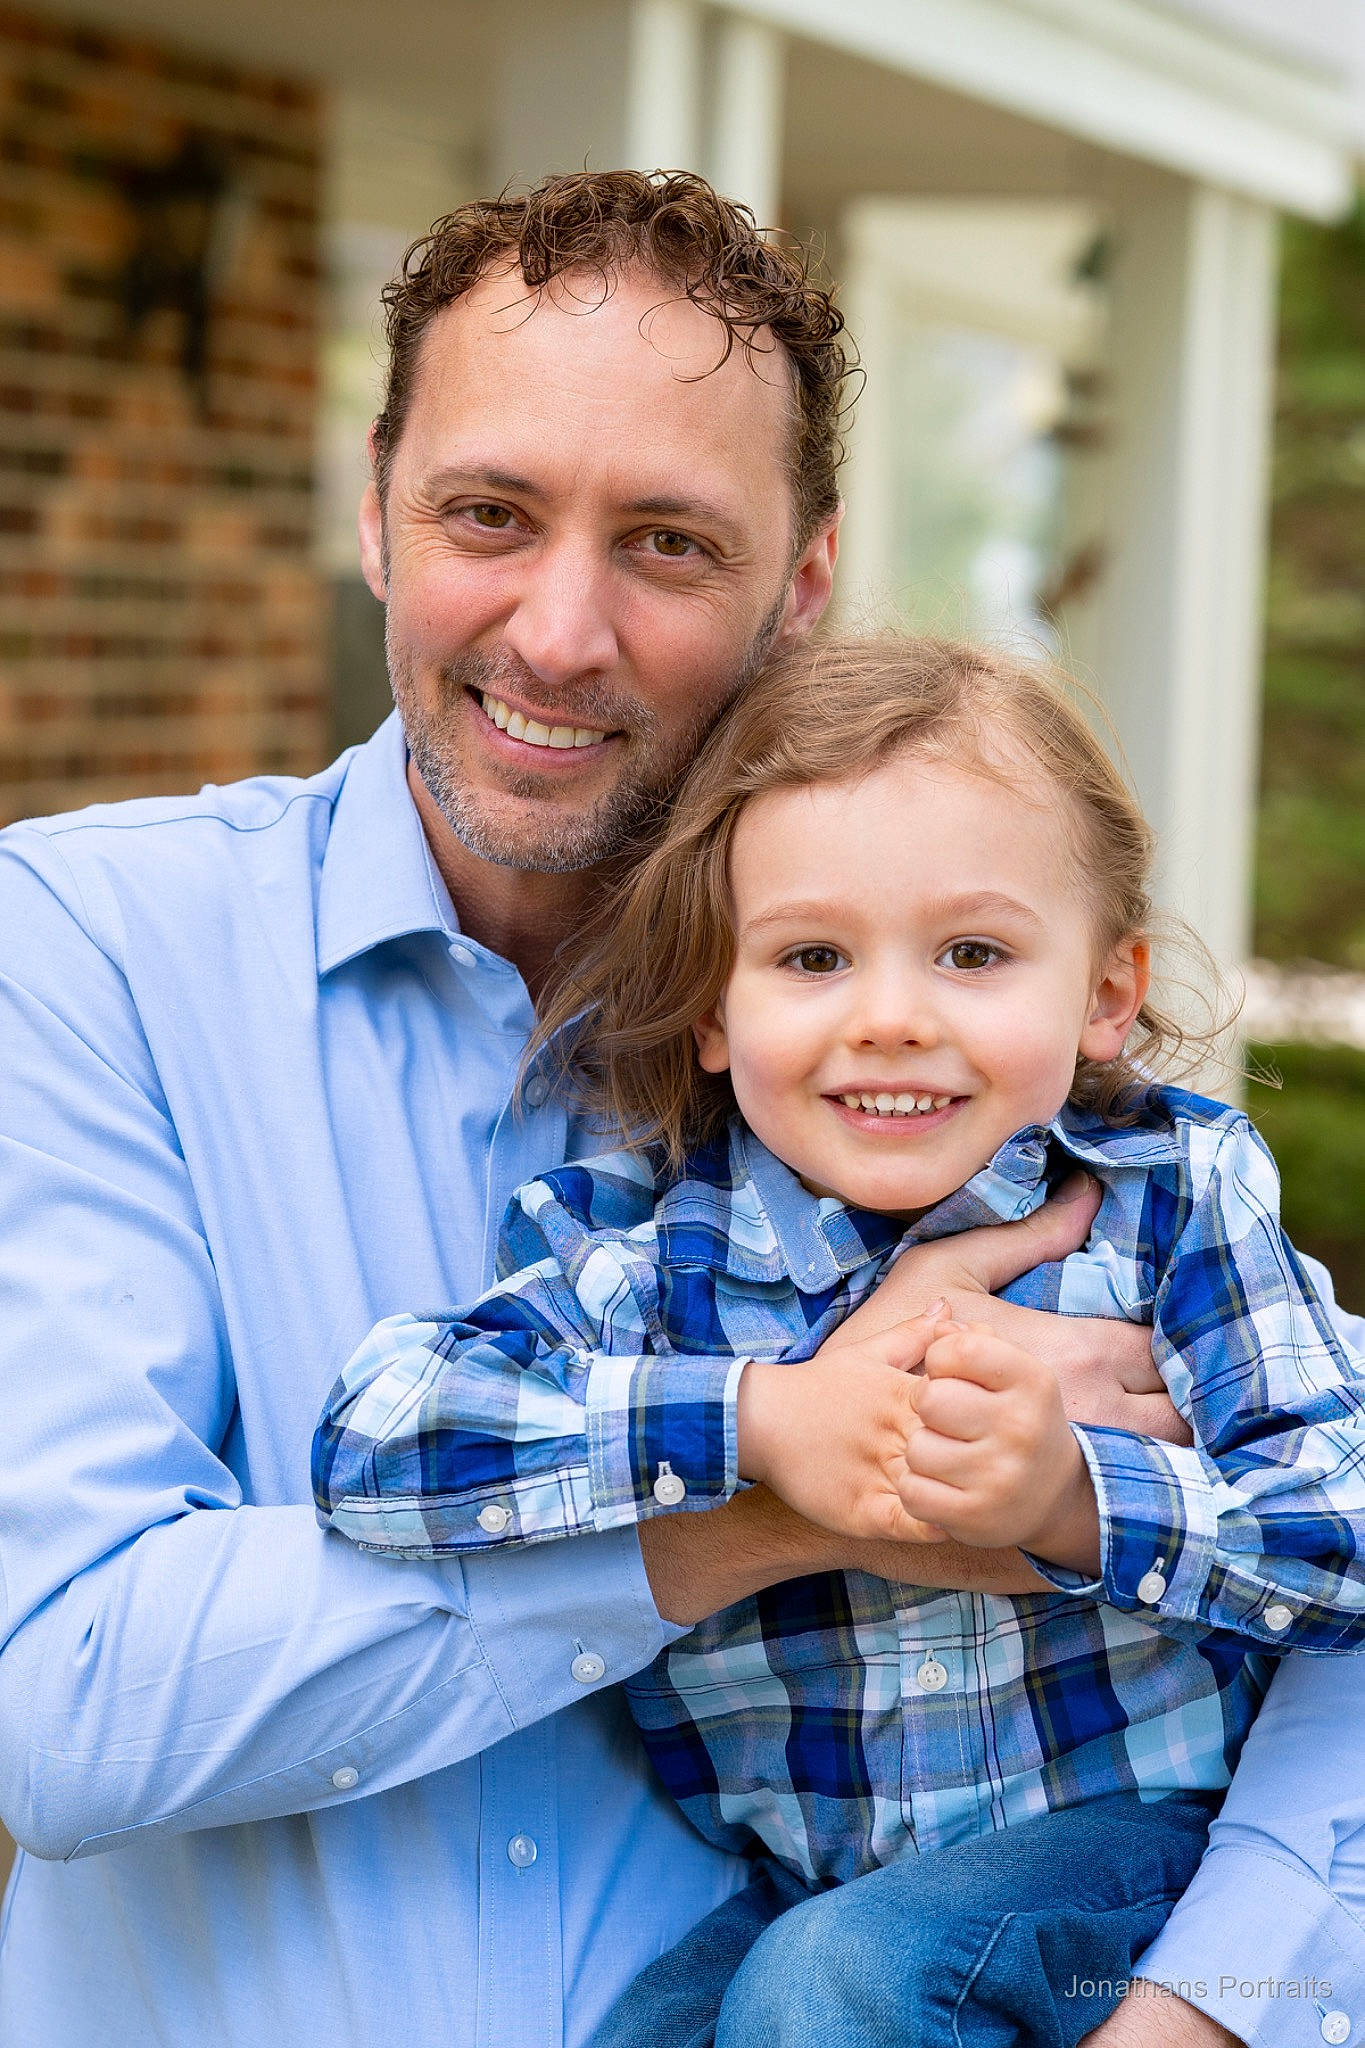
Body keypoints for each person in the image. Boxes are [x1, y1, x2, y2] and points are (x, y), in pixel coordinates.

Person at [0, 170, 1360, 2048]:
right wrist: (783, 1478)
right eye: (490, 512)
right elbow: (63, 1703)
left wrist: (1218, 2011)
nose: (559, 633)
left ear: (799, 584)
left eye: (665, 543)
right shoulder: (80, 948)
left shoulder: (1027, 1128)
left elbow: (1334, 1552)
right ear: (374, 505)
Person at [313, 636, 1365, 2047]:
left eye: (973, 954)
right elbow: (377, 1435)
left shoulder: (1164, 1205)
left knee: (834, 1986)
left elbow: (1339, 1528)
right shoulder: (662, 1258)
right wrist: (762, 1422)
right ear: (710, 1009)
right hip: (805, 1882)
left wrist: (1069, 1501)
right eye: (811, 956)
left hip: (1120, 1865)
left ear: (1104, 993)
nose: (889, 1018)